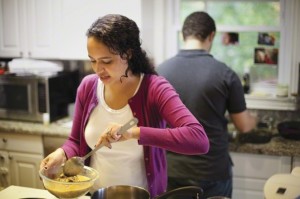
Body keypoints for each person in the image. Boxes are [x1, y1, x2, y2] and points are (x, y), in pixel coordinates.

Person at [40, 14, 209, 198]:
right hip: (95, 194)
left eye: (106, 61)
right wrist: (62, 153)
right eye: (92, 60)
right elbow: (75, 141)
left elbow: (198, 140)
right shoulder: (88, 87)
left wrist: (133, 133)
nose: (98, 69)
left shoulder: (155, 88)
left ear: (127, 54)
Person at [157, 11, 257, 199]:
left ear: (183, 35)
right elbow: (244, 125)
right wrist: (255, 119)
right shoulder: (225, 73)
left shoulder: (159, 72)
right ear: (211, 36)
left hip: (171, 170)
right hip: (211, 170)